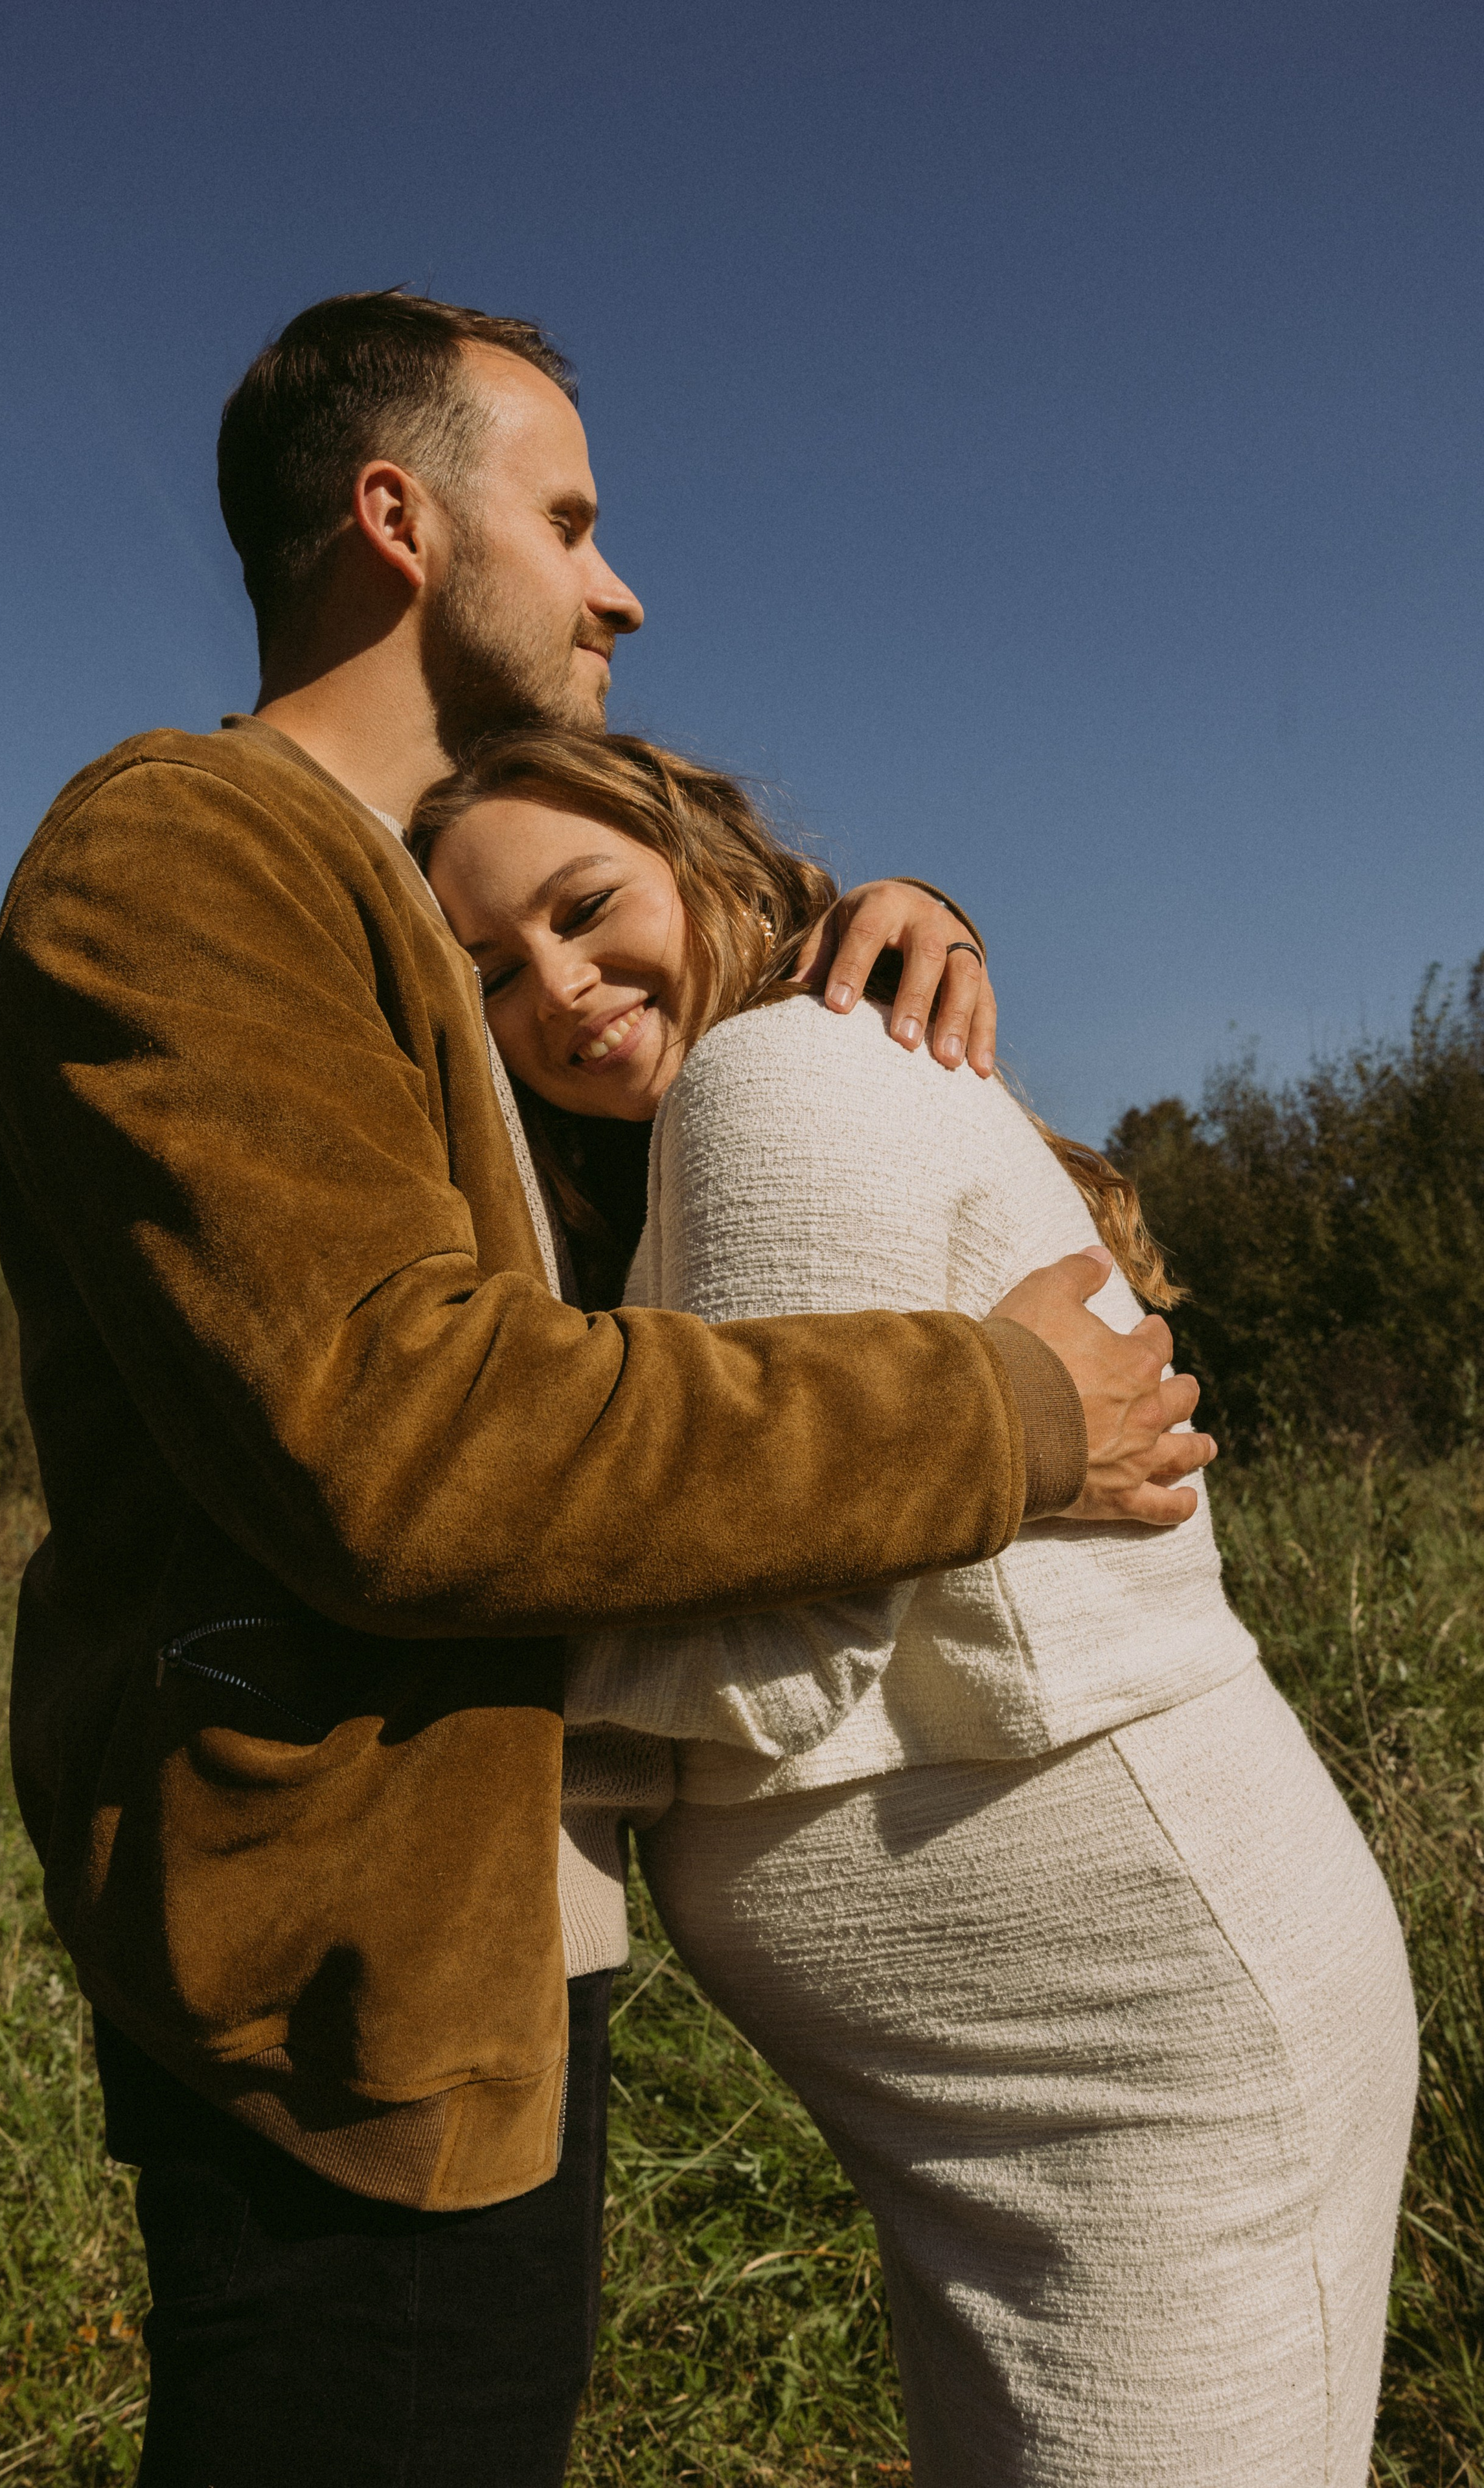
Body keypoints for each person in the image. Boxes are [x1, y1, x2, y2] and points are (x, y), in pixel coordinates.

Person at [0, 291, 1213, 2488]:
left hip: (470, 1949)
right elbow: (408, 1440)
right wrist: (1006, 1422)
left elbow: (690, 1095)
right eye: (567, 517)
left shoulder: (412, 926)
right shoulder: (183, 855)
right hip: (337, 1983)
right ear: (400, 520)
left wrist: (871, 924)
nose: (620, 583)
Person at [411, 726, 1419, 2488]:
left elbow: (772, 1661)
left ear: (705, 863)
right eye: (491, 974)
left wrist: (425, 1589)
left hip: (1147, 2081)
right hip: (1042, 2103)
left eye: (586, 908)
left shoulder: (767, 1088)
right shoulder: (683, 1162)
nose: (557, 989)